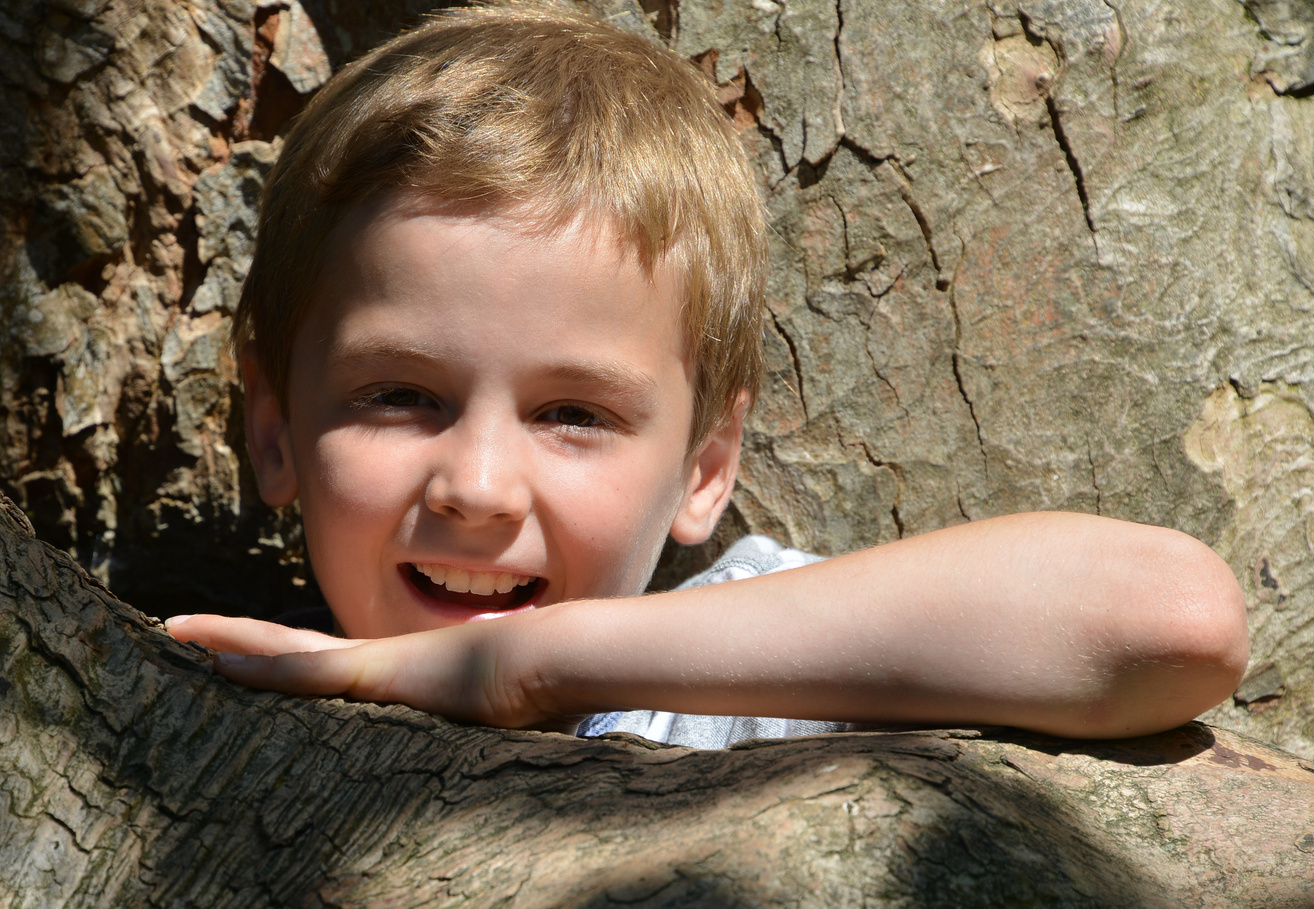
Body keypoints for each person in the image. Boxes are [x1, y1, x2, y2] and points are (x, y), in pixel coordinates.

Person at [164, 3, 1248, 748]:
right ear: (272, 428)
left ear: (704, 468)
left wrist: (541, 664)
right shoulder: (202, 703)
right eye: (400, 395)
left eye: (573, 413)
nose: (478, 486)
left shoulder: (749, 684)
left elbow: (1170, 621)